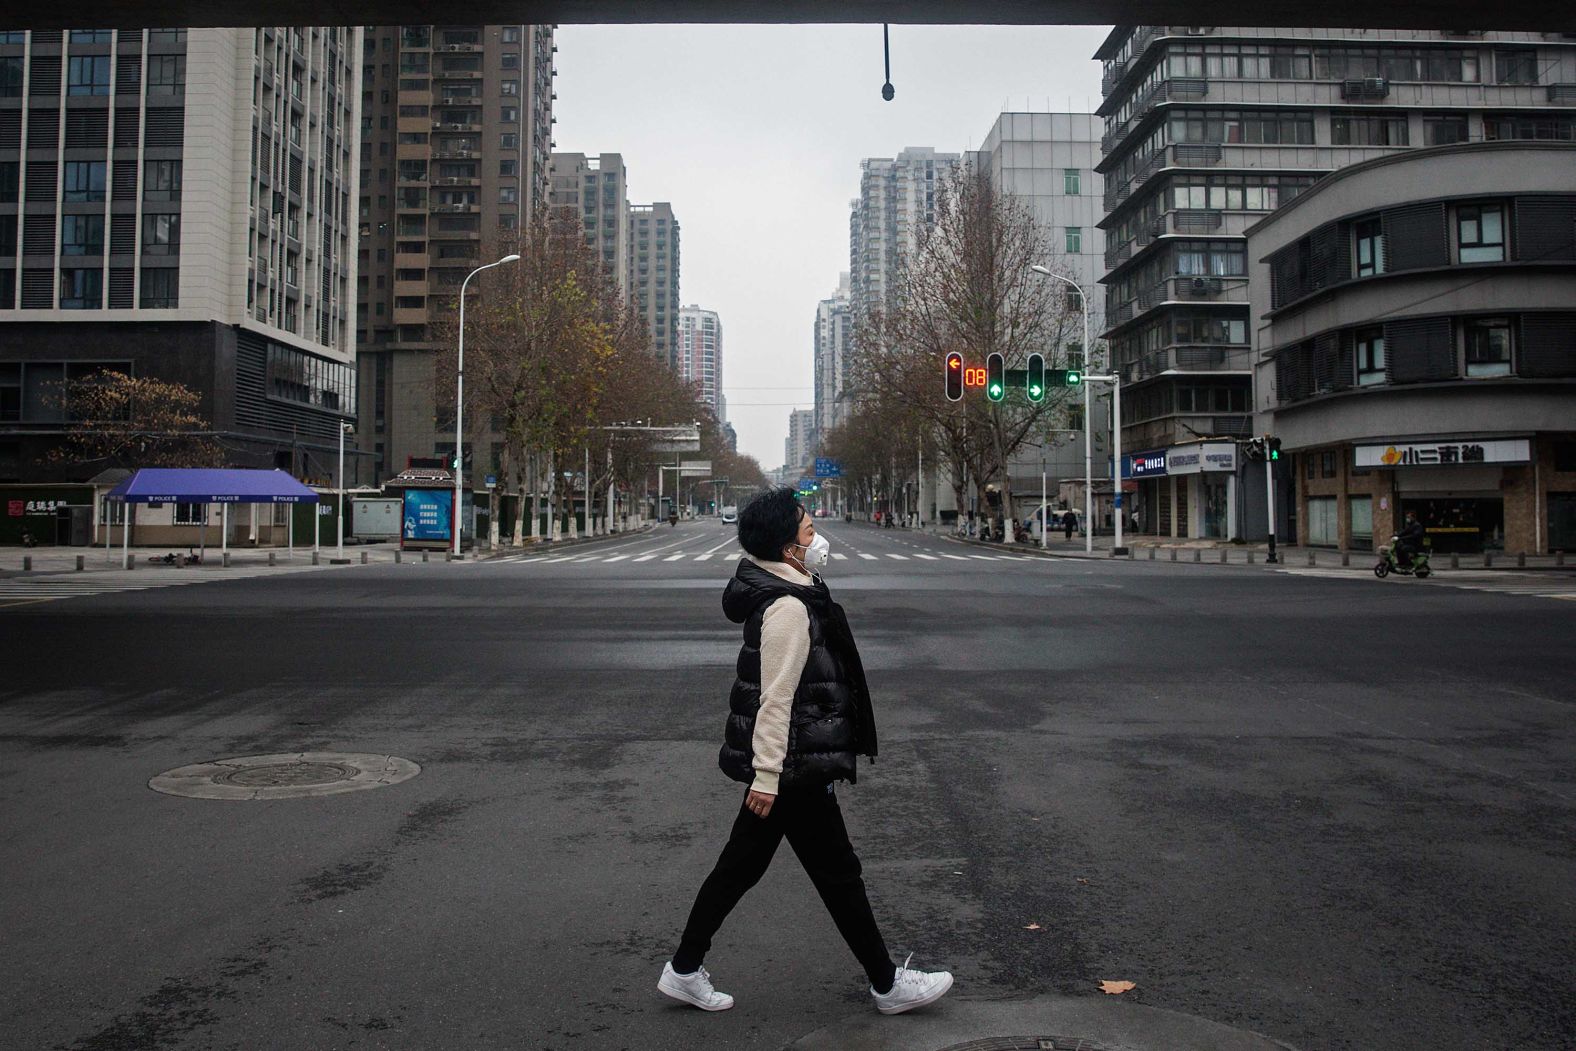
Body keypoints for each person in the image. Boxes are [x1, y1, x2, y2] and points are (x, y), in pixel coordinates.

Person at [659, 487, 953, 1016]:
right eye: (808, 529)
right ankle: (887, 985)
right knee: (838, 873)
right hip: (793, 767)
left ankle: (683, 969)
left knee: (741, 869)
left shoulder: (795, 591)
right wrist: (768, 776)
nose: (816, 536)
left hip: (791, 765)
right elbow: (776, 697)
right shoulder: (789, 606)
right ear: (785, 545)